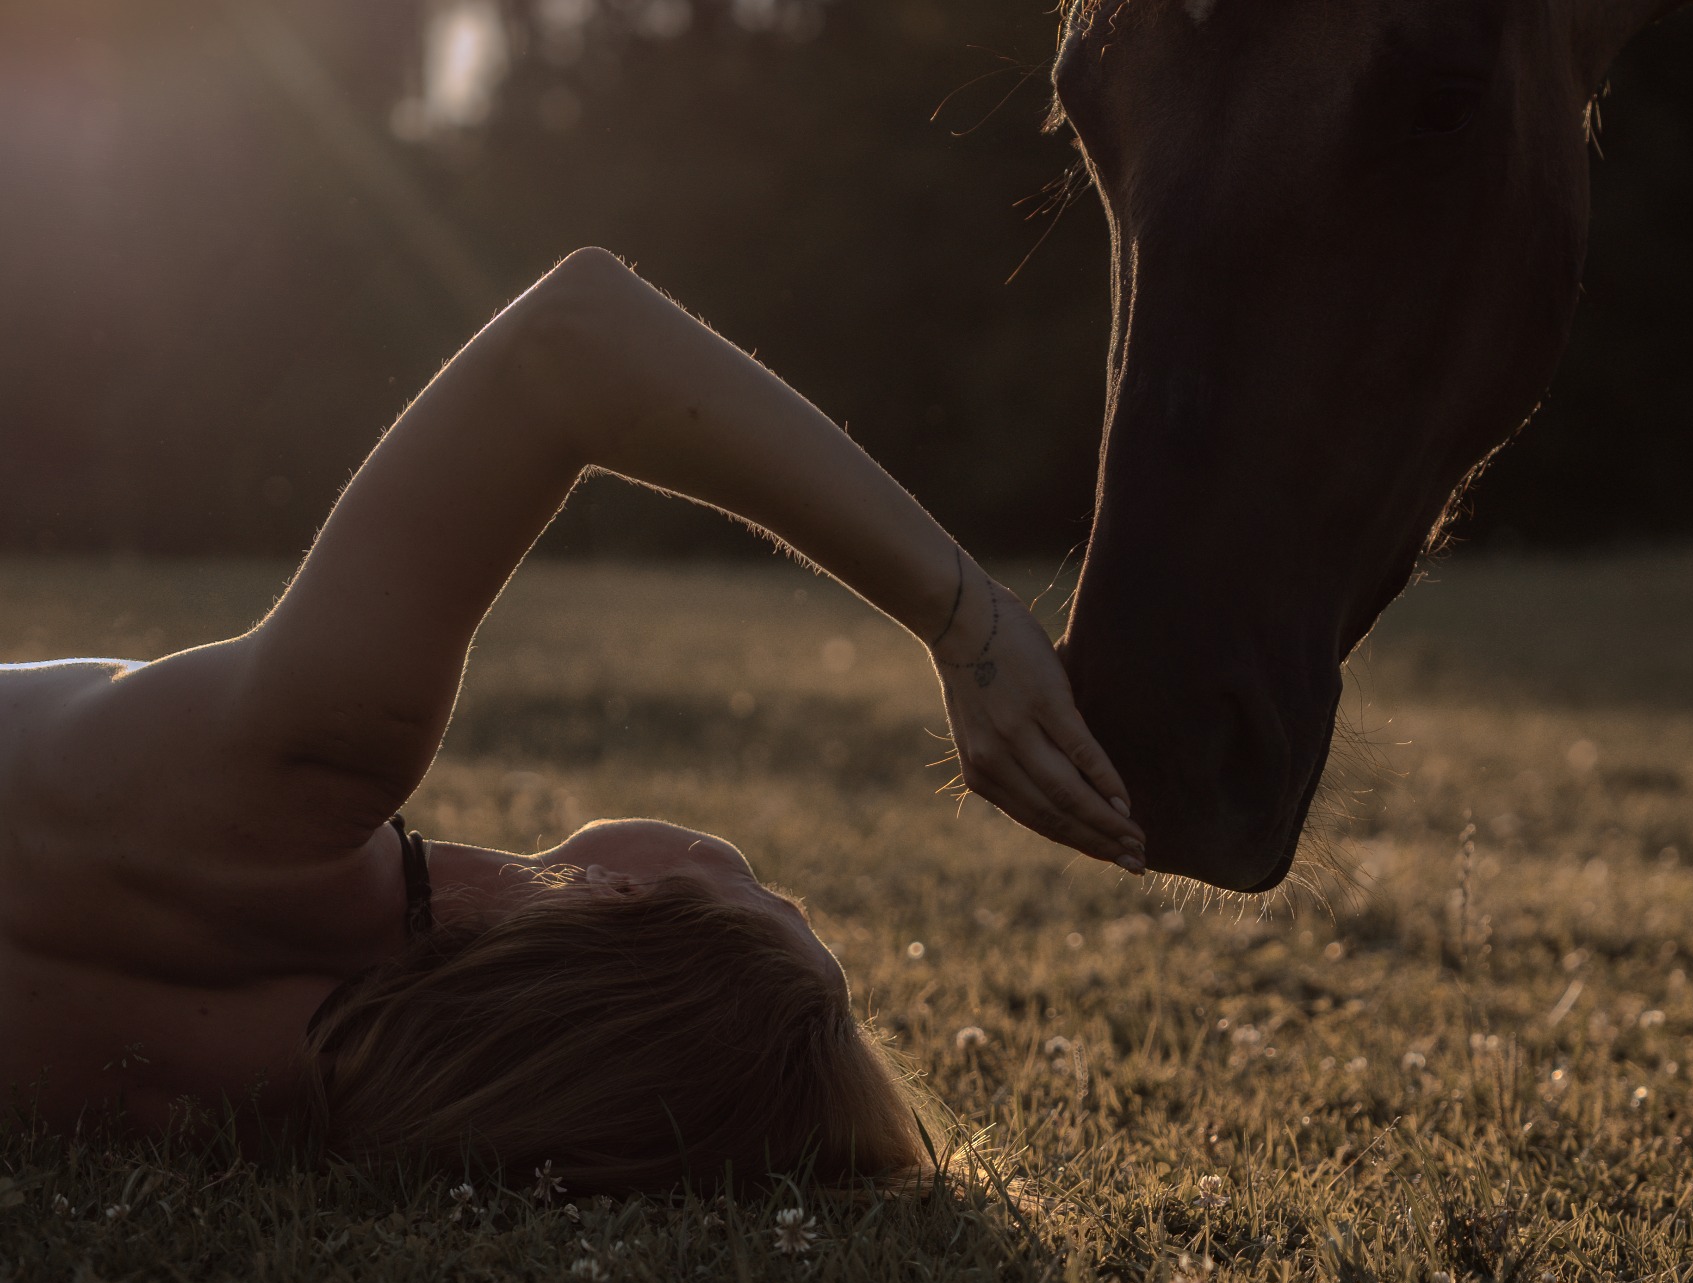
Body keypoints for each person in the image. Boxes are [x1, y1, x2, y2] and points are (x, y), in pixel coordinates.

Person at [0, 248, 1147, 1193]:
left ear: (624, 891)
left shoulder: (307, 762)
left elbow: (576, 337)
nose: (777, 881)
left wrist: (961, 616)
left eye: (776, 902)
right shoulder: (279, 1119)